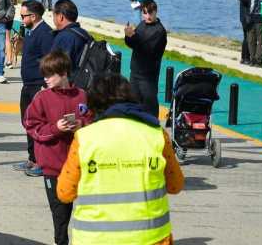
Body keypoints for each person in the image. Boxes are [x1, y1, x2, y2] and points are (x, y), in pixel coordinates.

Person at [57, 73, 184, 245]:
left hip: (94, 239)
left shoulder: (85, 138)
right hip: (150, 238)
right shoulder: (156, 135)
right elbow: (175, 185)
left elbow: (65, 193)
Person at [25, 48, 93, 245]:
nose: (45, 79)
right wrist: (55, 128)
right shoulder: (42, 98)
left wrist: (82, 124)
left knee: (83, 211)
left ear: (64, 73)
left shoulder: (82, 96)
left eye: (49, 75)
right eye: (44, 75)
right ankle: (60, 242)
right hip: (52, 166)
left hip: (79, 165)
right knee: (59, 212)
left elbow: (95, 121)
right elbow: (31, 125)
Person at [14, 0, 54, 176]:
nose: (21, 19)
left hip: (38, 85)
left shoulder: (45, 33)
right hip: (27, 84)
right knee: (27, 121)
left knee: (39, 124)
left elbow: (49, 60)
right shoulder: (30, 31)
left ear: (33, 16)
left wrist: (45, 86)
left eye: (23, 16)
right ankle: (32, 156)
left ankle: (42, 160)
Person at [124, 0, 168, 118]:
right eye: (145, 13)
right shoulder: (142, 24)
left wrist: (134, 36)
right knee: (132, 103)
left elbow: (148, 51)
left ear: (156, 11)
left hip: (148, 76)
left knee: (150, 106)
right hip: (135, 73)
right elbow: (134, 45)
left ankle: (153, 129)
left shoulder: (159, 31)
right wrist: (128, 36)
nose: (148, 16)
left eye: (150, 13)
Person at [51, 0, 89, 73]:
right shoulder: (84, 33)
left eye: (54, 15)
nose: (53, 19)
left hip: (70, 82)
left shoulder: (64, 37)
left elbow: (55, 66)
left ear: (60, 17)